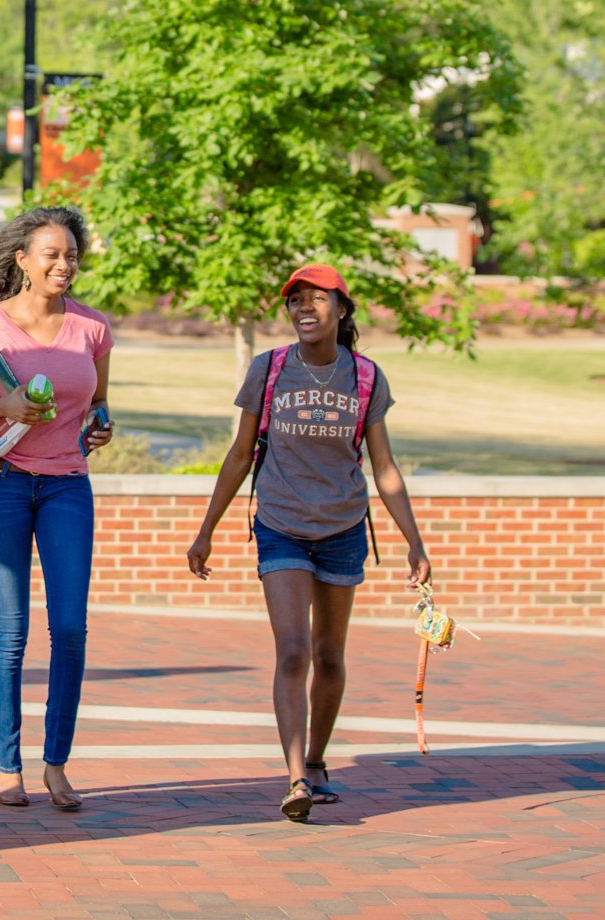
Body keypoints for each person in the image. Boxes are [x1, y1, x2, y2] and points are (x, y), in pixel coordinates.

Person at [186, 263, 430, 822]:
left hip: (344, 529)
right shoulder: (269, 370)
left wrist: (413, 542)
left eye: (318, 299)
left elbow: (385, 467)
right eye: (296, 300)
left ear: (342, 311)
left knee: (329, 655)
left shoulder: (365, 377)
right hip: (280, 523)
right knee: (293, 650)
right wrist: (207, 529)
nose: (305, 309)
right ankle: (296, 776)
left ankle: (317, 760)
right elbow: (240, 455)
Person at [0, 206, 114, 812]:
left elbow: (99, 404)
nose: (65, 265)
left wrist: (99, 425)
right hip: (4, 486)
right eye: (52, 255)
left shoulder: (92, 329)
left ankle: (56, 765)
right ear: (22, 262)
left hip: (67, 486)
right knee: (11, 633)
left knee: (69, 629)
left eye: (71, 255)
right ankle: (7, 766)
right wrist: (2, 407)